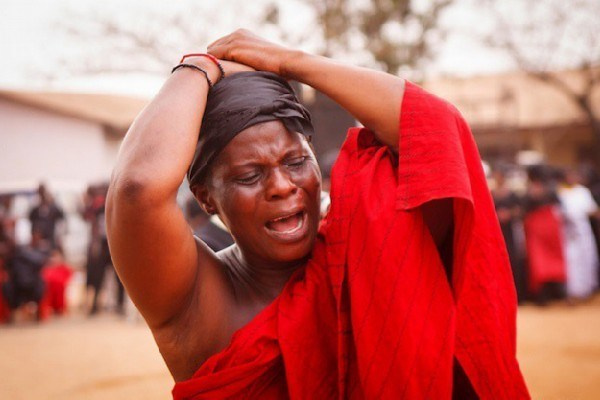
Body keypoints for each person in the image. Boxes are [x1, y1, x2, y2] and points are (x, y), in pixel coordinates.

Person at [106, 30, 529, 399]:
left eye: (295, 162)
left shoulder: (361, 249)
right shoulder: (197, 298)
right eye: (250, 175)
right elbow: (139, 188)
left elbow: (437, 130)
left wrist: (293, 62)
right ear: (206, 199)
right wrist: (199, 66)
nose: (282, 186)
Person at [522, 166, 567, 304]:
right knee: (549, 261)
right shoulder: (551, 188)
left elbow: (524, 210)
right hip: (549, 228)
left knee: (540, 262)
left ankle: (548, 296)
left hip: (539, 228)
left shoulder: (533, 191)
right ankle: (557, 295)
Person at [557, 168, 599, 300]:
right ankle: (571, 291)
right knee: (570, 260)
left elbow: (592, 210)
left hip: (582, 229)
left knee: (587, 258)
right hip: (566, 231)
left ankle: (586, 289)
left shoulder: (582, 191)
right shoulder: (560, 192)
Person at [491, 167, 526, 303]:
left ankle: (516, 295)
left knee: (513, 260)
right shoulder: (492, 194)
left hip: (511, 232)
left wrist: (509, 215)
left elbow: (520, 211)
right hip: (497, 232)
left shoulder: (512, 194)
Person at [28, 184, 64, 248]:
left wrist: (53, 202)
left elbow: (61, 216)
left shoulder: (52, 207)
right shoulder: (35, 207)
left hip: (50, 238)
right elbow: (30, 219)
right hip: (38, 239)